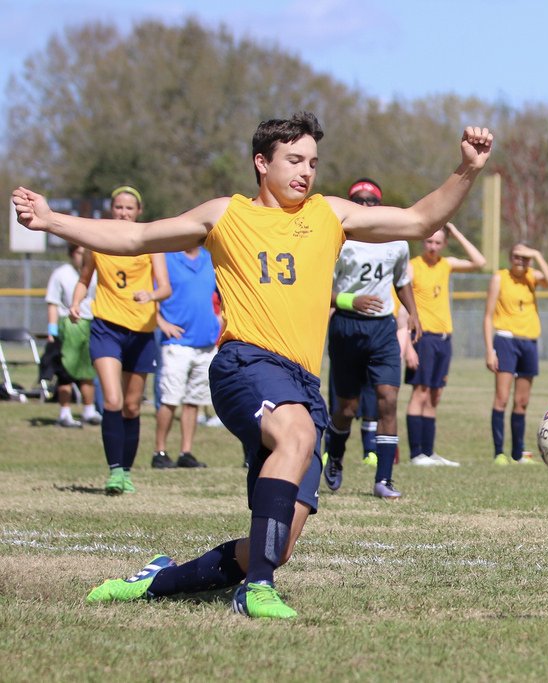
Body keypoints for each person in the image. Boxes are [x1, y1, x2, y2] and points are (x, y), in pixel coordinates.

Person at [13, 112, 494, 619]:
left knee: (275, 545)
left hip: (304, 384)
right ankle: (256, 591)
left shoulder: (330, 214)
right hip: (246, 362)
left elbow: (420, 220)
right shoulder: (226, 215)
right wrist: (52, 221)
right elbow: (137, 237)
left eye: (312, 162)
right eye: (294, 160)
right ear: (262, 163)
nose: (305, 171)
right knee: (297, 437)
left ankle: (159, 580)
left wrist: (467, 170)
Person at [323, 177, 421, 499]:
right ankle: (335, 455)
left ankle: (384, 479)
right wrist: (352, 301)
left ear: (378, 205)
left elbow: (402, 279)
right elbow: (321, 290)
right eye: (358, 200)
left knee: (388, 400)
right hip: (347, 326)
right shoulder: (338, 240)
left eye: (370, 200)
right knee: (347, 408)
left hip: (382, 328)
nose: (365, 205)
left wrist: (414, 313)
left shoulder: (395, 239)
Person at [70, 186, 171, 495]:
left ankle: (126, 472)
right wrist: (75, 303)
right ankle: (114, 472)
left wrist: (150, 294)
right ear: (111, 210)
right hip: (106, 328)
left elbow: (165, 288)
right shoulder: (97, 242)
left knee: (131, 406)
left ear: (138, 212)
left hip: (140, 332)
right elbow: (85, 278)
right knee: (112, 400)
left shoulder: (151, 242)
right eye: (118, 207)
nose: (123, 213)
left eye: (129, 208)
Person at [405, 222, 486, 467]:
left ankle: (429, 453)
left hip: (444, 338)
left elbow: (479, 262)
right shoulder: (412, 266)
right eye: (429, 242)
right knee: (419, 392)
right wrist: (407, 343)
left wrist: (456, 231)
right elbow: (401, 301)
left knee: (435, 394)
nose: (432, 247)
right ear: (423, 243)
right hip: (423, 337)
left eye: (438, 242)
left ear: (444, 244)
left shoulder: (446, 264)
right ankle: (416, 453)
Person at [483, 242, 548, 465]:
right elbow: (487, 316)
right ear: (510, 257)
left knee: (522, 401)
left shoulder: (532, 276)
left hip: (529, 342)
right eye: (516, 256)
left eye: (525, 258)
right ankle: (499, 453)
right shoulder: (500, 277)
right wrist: (489, 350)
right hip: (506, 340)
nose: (520, 261)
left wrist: (536, 253)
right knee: (502, 398)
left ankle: (518, 453)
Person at [151, 244, 220, 469]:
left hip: (206, 343)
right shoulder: (167, 258)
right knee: (170, 399)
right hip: (176, 344)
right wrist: (161, 323)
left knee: (194, 400)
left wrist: (220, 320)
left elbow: (226, 292)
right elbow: (149, 294)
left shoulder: (210, 259)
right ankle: (159, 451)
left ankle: (186, 452)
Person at [44, 243, 101, 428]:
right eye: (79, 253)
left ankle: (89, 410)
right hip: (68, 326)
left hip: (89, 324)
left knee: (87, 371)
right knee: (66, 371)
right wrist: (52, 330)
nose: (82, 256)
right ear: (71, 254)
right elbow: (53, 302)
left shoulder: (96, 273)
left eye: (86, 253)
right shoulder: (61, 273)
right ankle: (65, 413)